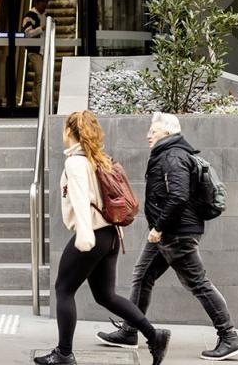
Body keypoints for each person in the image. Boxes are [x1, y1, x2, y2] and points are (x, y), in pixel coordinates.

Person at [96, 112, 238, 361]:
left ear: (167, 132)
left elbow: (178, 196)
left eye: (152, 131)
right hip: (169, 232)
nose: (148, 135)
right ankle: (130, 330)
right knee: (142, 276)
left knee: (198, 283)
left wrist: (158, 228)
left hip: (176, 233)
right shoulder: (169, 154)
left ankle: (229, 336)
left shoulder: (173, 156)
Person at [34, 110, 170, 365]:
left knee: (64, 289)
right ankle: (154, 335)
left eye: (65, 129)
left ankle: (64, 353)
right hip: (111, 235)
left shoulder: (75, 163)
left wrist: (84, 238)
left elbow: (81, 202)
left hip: (92, 235)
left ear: (70, 132)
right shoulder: (99, 159)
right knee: (105, 295)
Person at [22, 0, 49, 107]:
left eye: (46, 1)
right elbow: (27, 33)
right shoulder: (29, 16)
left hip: (44, 50)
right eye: (43, 1)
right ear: (36, 2)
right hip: (34, 51)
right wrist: (41, 28)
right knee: (41, 76)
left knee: (39, 77)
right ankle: (41, 105)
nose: (45, 4)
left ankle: (34, 103)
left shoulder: (47, 15)